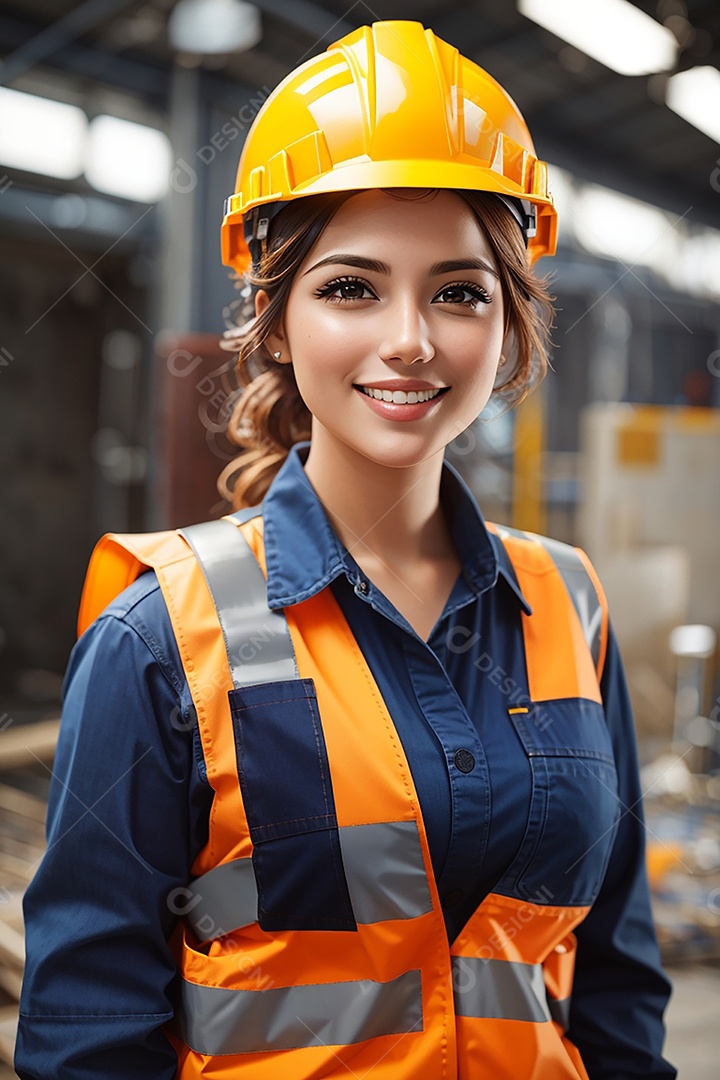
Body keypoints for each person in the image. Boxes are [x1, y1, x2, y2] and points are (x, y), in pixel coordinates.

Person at [16, 19, 676, 1080]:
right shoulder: (163, 632)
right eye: (352, 287)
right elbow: (89, 1028)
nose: (410, 338)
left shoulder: (570, 600)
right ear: (276, 320)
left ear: (508, 322)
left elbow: (616, 977)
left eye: (459, 291)